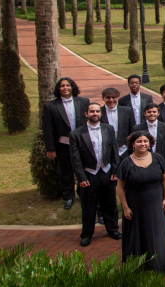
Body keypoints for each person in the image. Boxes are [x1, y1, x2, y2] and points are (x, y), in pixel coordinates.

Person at [116, 131, 165, 273]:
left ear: (150, 143)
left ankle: (159, 264)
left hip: (156, 202)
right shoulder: (126, 163)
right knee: (139, 234)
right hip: (135, 204)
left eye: (145, 141)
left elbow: (164, 179)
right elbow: (120, 186)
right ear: (132, 144)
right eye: (139, 141)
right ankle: (140, 267)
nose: (142, 144)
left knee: (158, 233)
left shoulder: (158, 158)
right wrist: (125, 207)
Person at [69, 103, 122, 246]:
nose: (95, 113)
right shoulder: (76, 134)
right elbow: (75, 158)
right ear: (86, 114)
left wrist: (115, 171)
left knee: (110, 203)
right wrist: (81, 177)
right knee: (88, 206)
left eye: (97, 111)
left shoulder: (108, 129)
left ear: (100, 113)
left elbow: (114, 151)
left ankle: (112, 229)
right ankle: (87, 234)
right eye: (92, 111)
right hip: (89, 174)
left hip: (106, 172)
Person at [42, 77, 90, 210]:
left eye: (68, 85)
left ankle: (83, 193)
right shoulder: (50, 106)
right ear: (58, 89)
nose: (65, 88)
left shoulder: (84, 101)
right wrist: (50, 148)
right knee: (65, 171)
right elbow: (47, 129)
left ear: (72, 87)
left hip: (82, 143)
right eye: (62, 86)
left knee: (84, 169)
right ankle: (68, 197)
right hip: (63, 144)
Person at [101, 87, 136, 158]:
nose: (111, 100)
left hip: (124, 149)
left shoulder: (127, 111)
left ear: (118, 97)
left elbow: (132, 130)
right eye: (108, 97)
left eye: (114, 97)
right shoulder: (99, 112)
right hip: (106, 150)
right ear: (103, 98)